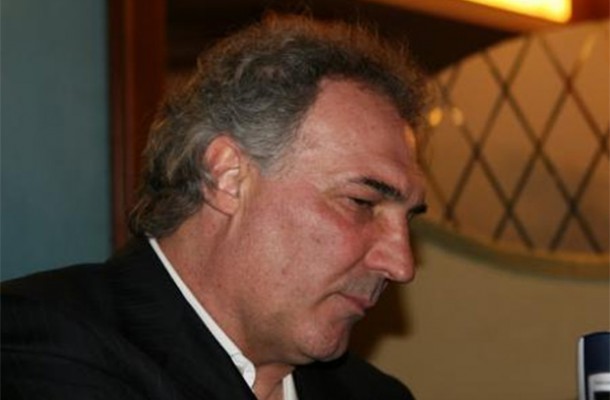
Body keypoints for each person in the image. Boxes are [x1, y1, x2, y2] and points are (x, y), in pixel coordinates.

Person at [1, 13, 429, 400]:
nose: (401, 265)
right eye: (361, 202)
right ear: (228, 177)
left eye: (407, 220)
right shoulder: (45, 339)